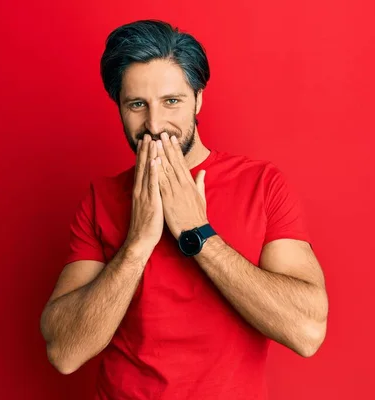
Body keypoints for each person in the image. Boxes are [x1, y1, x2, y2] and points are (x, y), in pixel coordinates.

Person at [40, 19, 328, 400]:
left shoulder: (262, 185)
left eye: (171, 101)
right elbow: (64, 352)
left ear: (198, 99)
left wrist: (199, 234)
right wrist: (138, 244)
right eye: (137, 105)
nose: (155, 124)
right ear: (120, 107)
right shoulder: (101, 198)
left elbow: (307, 333)